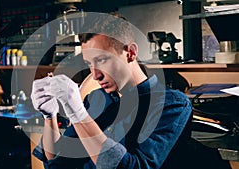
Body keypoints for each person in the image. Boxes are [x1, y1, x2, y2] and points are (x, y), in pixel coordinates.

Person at [30, 12, 232, 169]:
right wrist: (50, 116)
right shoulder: (96, 99)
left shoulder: (171, 105)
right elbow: (59, 162)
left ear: (131, 52)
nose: (95, 74)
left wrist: (78, 114)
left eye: (101, 60)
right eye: (89, 64)